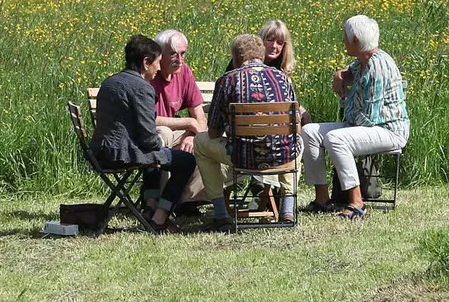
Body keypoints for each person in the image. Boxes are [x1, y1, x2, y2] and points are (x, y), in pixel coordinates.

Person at [301, 15, 408, 220]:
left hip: (388, 130)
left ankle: (357, 203)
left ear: (356, 41)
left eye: (345, 37)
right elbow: (347, 73)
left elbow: (369, 118)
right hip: (368, 126)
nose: (343, 41)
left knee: (336, 139)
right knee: (309, 132)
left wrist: (345, 100)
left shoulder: (377, 67)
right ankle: (322, 199)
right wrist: (339, 75)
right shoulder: (362, 61)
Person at [90, 35, 196, 233]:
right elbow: (148, 139)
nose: (157, 69)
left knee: (157, 154)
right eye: (156, 63)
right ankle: (160, 217)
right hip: (121, 155)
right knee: (186, 161)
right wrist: (163, 148)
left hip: (100, 153)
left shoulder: (110, 82)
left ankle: (150, 206)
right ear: (146, 62)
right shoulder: (142, 88)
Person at [194, 34, 300, 231]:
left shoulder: (227, 80)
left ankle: (220, 214)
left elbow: (213, 133)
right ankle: (287, 210)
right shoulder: (283, 79)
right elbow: (296, 124)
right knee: (294, 144)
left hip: (243, 158)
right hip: (281, 157)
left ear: (235, 58)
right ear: (262, 55)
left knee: (200, 143)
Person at [151, 29, 208, 206]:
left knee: (213, 141)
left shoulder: (185, 72)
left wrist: (192, 135)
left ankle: (184, 200)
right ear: (159, 55)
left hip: (178, 134)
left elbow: (200, 118)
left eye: (183, 54)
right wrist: (189, 123)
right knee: (163, 133)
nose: (180, 60)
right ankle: (160, 202)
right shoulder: (150, 74)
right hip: (153, 135)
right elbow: (148, 120)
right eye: (174, 55)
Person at [221, 20, 310, 126]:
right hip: (248, 114)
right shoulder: (241, 62)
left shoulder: (281, 68)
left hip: (274, 115)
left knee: (305, 115)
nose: (274, 46)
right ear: (261, 41)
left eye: (280, 43)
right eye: (270, 40)